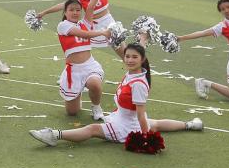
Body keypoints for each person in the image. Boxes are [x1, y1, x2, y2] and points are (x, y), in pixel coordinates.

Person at [29, 39, 203, 147]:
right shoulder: (134, 72)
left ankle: (54, 135)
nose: (129, 60)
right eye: (127, 56)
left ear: (142, 60)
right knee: (155, 124)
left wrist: (146, 138)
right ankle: (190, 124)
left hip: (127, 126)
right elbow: (139, 50)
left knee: (92, 129)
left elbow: (141, 115)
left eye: (134, 57)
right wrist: (143, 38)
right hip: (123, 117)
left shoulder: (138, 84)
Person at [49, 0, 110, 120]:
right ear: (65, 12)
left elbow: (91, 6)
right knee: (72, 112)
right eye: (71, 10)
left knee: (95, 84)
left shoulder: (85, 23)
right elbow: (84, 34)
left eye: (78, 10)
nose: (75, 12)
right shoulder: (63, 25)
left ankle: (96, 107)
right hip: (74, 70)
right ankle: (78, 91)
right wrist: (102, 32)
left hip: (89, 66)